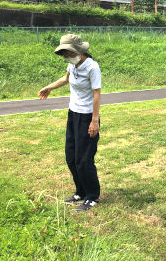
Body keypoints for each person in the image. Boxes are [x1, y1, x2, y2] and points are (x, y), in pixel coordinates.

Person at [38, 34, 101, 211]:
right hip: (73, 114)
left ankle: (92, 196)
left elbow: (97, 94)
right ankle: (80, 191)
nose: (66, 56)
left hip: (87, 116)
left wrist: (94, 120)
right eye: (64, 53)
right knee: (71, 156)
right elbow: (66, 79)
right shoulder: (72, 64)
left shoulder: (92, 67)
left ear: (78, 51)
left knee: (84, 159)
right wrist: (49, 87)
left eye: (67, 52)